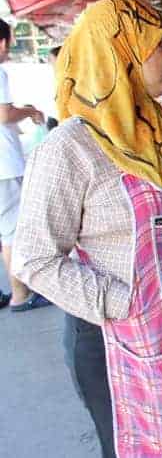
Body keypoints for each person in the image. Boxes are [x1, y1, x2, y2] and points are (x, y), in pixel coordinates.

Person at [13, 0, 162, 456]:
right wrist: (124, 301)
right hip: (124, 341)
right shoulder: (70, 148)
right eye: (160, 45)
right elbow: (34, 257)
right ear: (122, 55)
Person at [0, 19, 50, 311]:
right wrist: (30, 111)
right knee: (12, 230)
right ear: (4, 42)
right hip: (4, 167)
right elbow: (4, 114)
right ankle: (21, 294)